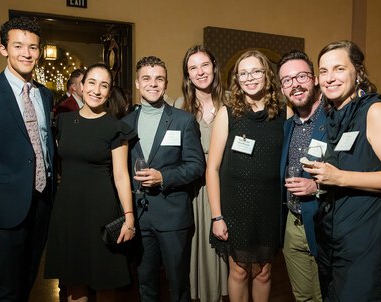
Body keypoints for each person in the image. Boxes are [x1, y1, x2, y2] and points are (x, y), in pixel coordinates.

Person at [302, 40, 381, 301]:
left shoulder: (375, 112)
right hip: (334, 240)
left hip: (366, 243)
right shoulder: (332, 115)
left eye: (339, 69)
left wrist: (339, 177)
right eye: (324, 71)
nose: (329, 78)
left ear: (357, 72)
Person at [44, 63, 136, 302]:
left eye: (103, 85)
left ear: (109, 91)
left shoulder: (116, 127)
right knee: (74, 285)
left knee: (105, 283)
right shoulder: (63, 122)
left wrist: (129, 216)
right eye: (92, 83)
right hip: (68, 210)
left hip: (102, 211)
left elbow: (121, 175)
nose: (96, 90)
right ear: (81, 87)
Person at [122, 56, 205, 302]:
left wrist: (163, 177)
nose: (153, 84)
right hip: (139, 217)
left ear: (166, 83)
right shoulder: (125, 124)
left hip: (173, 216)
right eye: (146, 78)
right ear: (137, 83)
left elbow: (196, 166)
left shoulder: (183, 120)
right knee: (146, 284)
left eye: (159, 79)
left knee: (178, 285)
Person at [0, 17, 55, 301]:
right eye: (18, 46)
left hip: (41, 202)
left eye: (33, 47)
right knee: (7, 287)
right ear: (4, 49)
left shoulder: (45, 95)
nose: (26, 53)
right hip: (3, 206)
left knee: (28, 280)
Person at [206, 49, 285, 302]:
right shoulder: (228, 114)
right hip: (235, 208)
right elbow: (212, 168)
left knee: (263, 272)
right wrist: (217, 216)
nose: (250, 78)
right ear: (236, 80)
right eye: (243, 73)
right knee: (239, 271)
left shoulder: (284, 113)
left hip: (269, 208)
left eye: (256, 71)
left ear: (267, 74)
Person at [175, 45, 228, 302]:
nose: (200, 72)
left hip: (224, 183)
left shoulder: (231, 101)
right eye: (193, 67)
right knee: (197, 245)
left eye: (204, 65)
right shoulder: (179, 106)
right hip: (193, 188)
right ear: (187, 74)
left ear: (214, 67)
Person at [277, 50, 325, 302]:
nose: (295, 84)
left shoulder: (335, 119)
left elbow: (357, 171)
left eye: (301, 76)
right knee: (304, 297)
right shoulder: (288, 125)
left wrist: (317, 186)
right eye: (287, 80)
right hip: (293, 224)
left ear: (315, 78)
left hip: (324, 223)